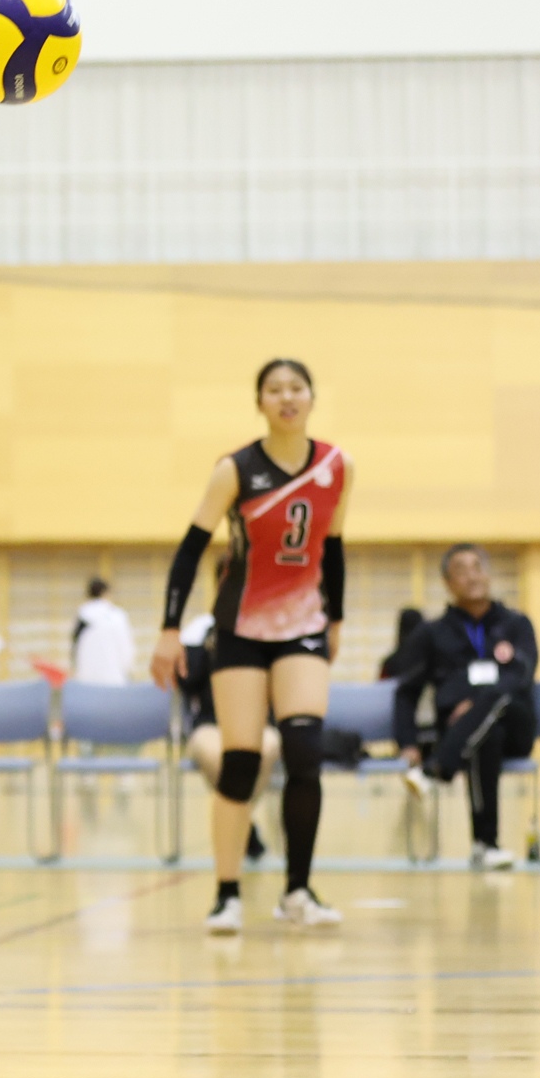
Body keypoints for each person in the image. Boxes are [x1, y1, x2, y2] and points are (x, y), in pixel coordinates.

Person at [150, 358, 353, 935]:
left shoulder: (337, 466)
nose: (287, 398)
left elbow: (333, 547)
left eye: (296, 388)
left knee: (305, 753)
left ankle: (298, 891)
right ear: (259, 402)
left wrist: (336, 618)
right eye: (274, 389)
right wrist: (170, 628)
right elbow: (190, 550)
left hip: (304, 625)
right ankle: (227, 893)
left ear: (311, 397)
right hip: (239, 628)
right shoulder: (235, 469)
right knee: (240, 764)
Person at [391, 545, 539, 869]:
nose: (472, 577)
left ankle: (436, 768)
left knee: (495, 697)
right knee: (487, 735)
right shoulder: (431, 633)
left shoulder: (517, 624)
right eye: (461, 570)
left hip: (515, 724)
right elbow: (407, 692)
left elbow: (522, 676)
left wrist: (475, 704)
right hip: (464, 734)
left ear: (488, 574)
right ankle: (485, 846)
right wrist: (407, 742)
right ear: (447, 582)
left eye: (478, 567)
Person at [175, 554, 272, 864]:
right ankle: (247, 826)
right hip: (210, 725)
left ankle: (238, 824)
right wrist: (203, 648)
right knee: (222, 759)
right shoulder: (200, 630)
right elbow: (187, 682)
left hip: (257, 726)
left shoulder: (266, 627)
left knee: (269, 748)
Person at [72, 576, 135, 685]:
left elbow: (75, 648)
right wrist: (127, 668)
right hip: (114, 678)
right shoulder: (117, 615)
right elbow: (126, 646)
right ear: (106, 592)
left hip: (87, 679)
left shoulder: (82, 616)